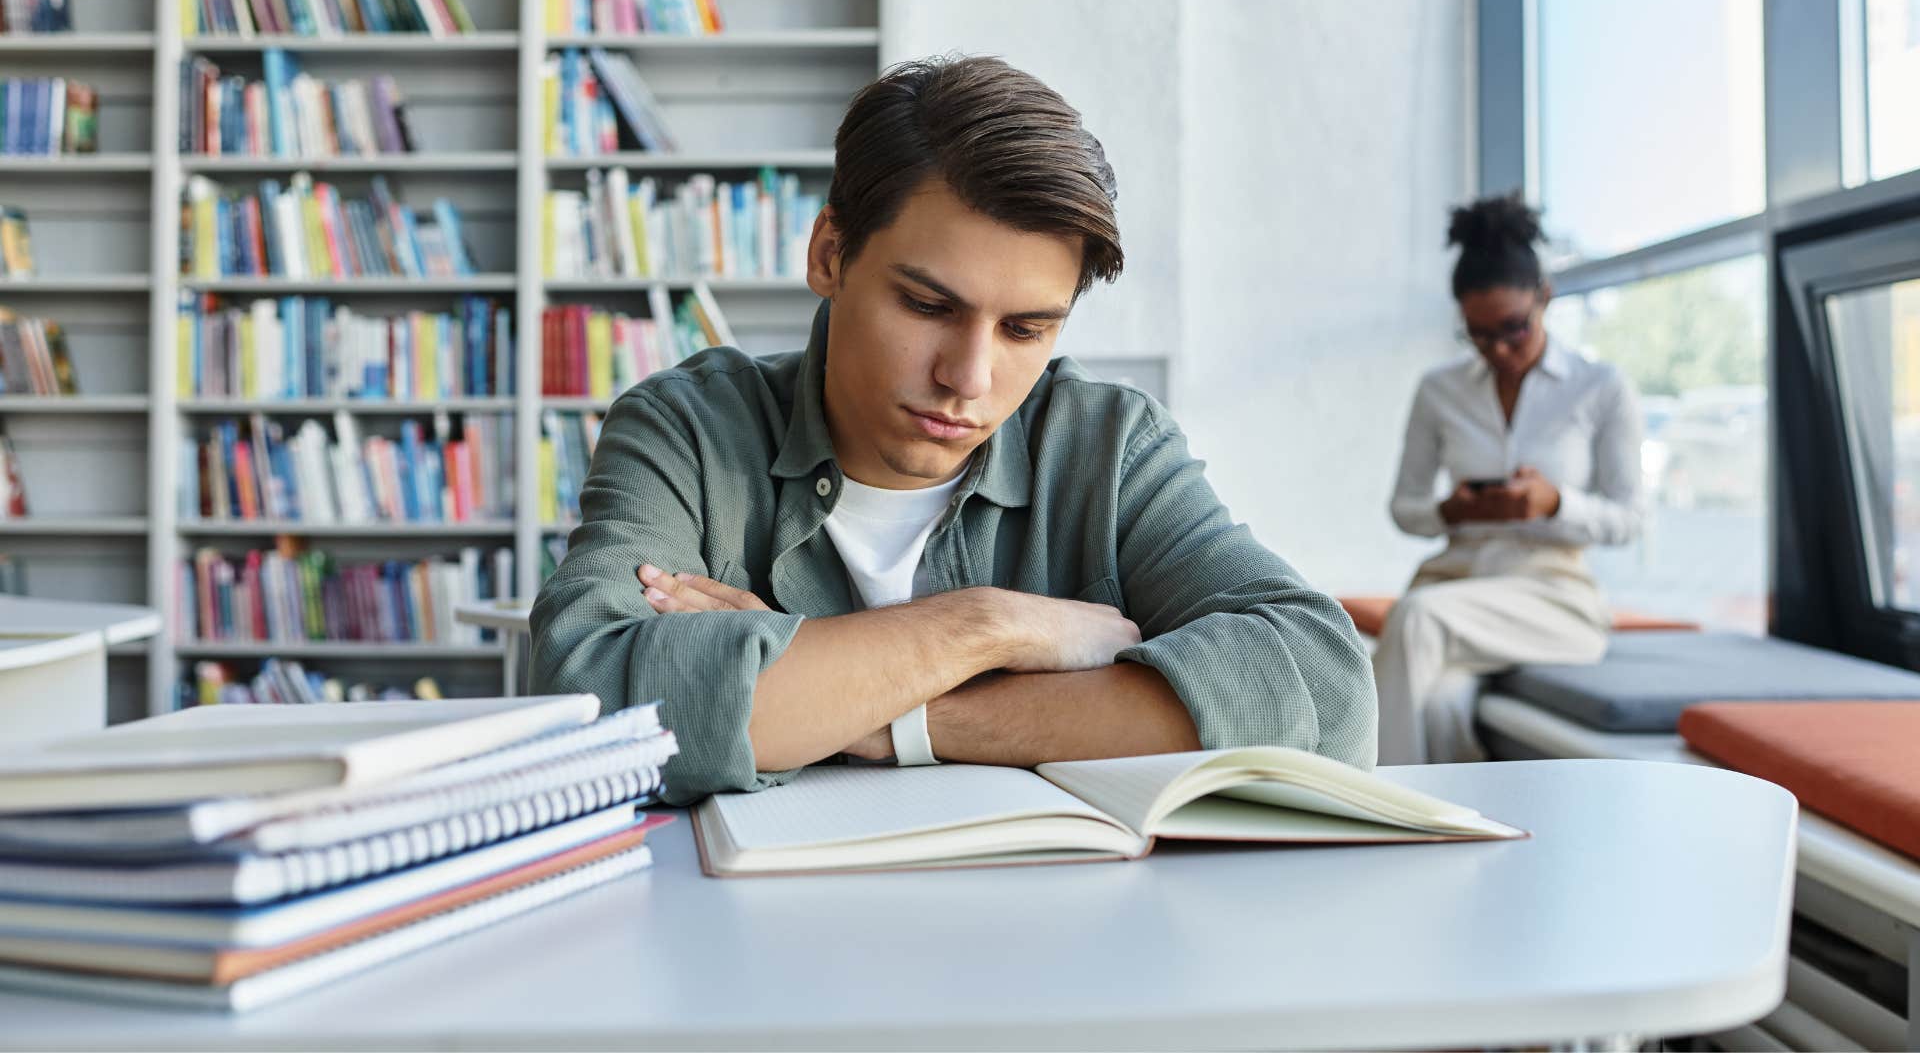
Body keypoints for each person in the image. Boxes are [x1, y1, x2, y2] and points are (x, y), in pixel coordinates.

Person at [531, 55, 1376, 805]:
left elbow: (1325, 691)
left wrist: (877, 718)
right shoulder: (686, 429)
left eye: (1025, 330)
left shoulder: (1110, 447)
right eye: (928, 306)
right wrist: (988, 626)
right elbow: (594, 707)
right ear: (829, 254)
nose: (969, 379)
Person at [1375, 194, 1644, 766]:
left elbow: (1630, 519)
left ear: (1545, 296)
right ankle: (1452, 818)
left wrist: (1555, 504)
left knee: (1415, 618)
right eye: (1478, 335)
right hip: (1457, 586)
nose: (1498, 350)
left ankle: (1372, 799)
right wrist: (1453, 511)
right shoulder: (1440, 391)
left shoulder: (1600, 387)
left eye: (1513, 330)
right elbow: (1405, 508)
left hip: (1551, 597)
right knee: (1441, 708)